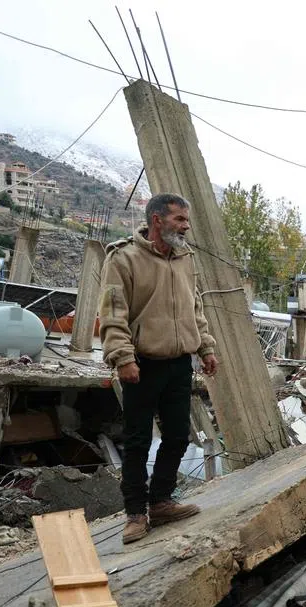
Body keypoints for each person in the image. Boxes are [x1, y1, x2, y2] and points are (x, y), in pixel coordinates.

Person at [99, 193, 218, 544]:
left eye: (186, 219)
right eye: (179, 219)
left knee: (179, 435)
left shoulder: (184, 258)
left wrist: (206, 347)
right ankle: (136, 513)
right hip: (141, 364)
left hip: (179, 363)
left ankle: (162, 502)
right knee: (136, 441)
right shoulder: (124, 258)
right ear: (156, 220)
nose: (185, 226)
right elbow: (112, 313)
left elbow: (194, 308)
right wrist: (123, 357)